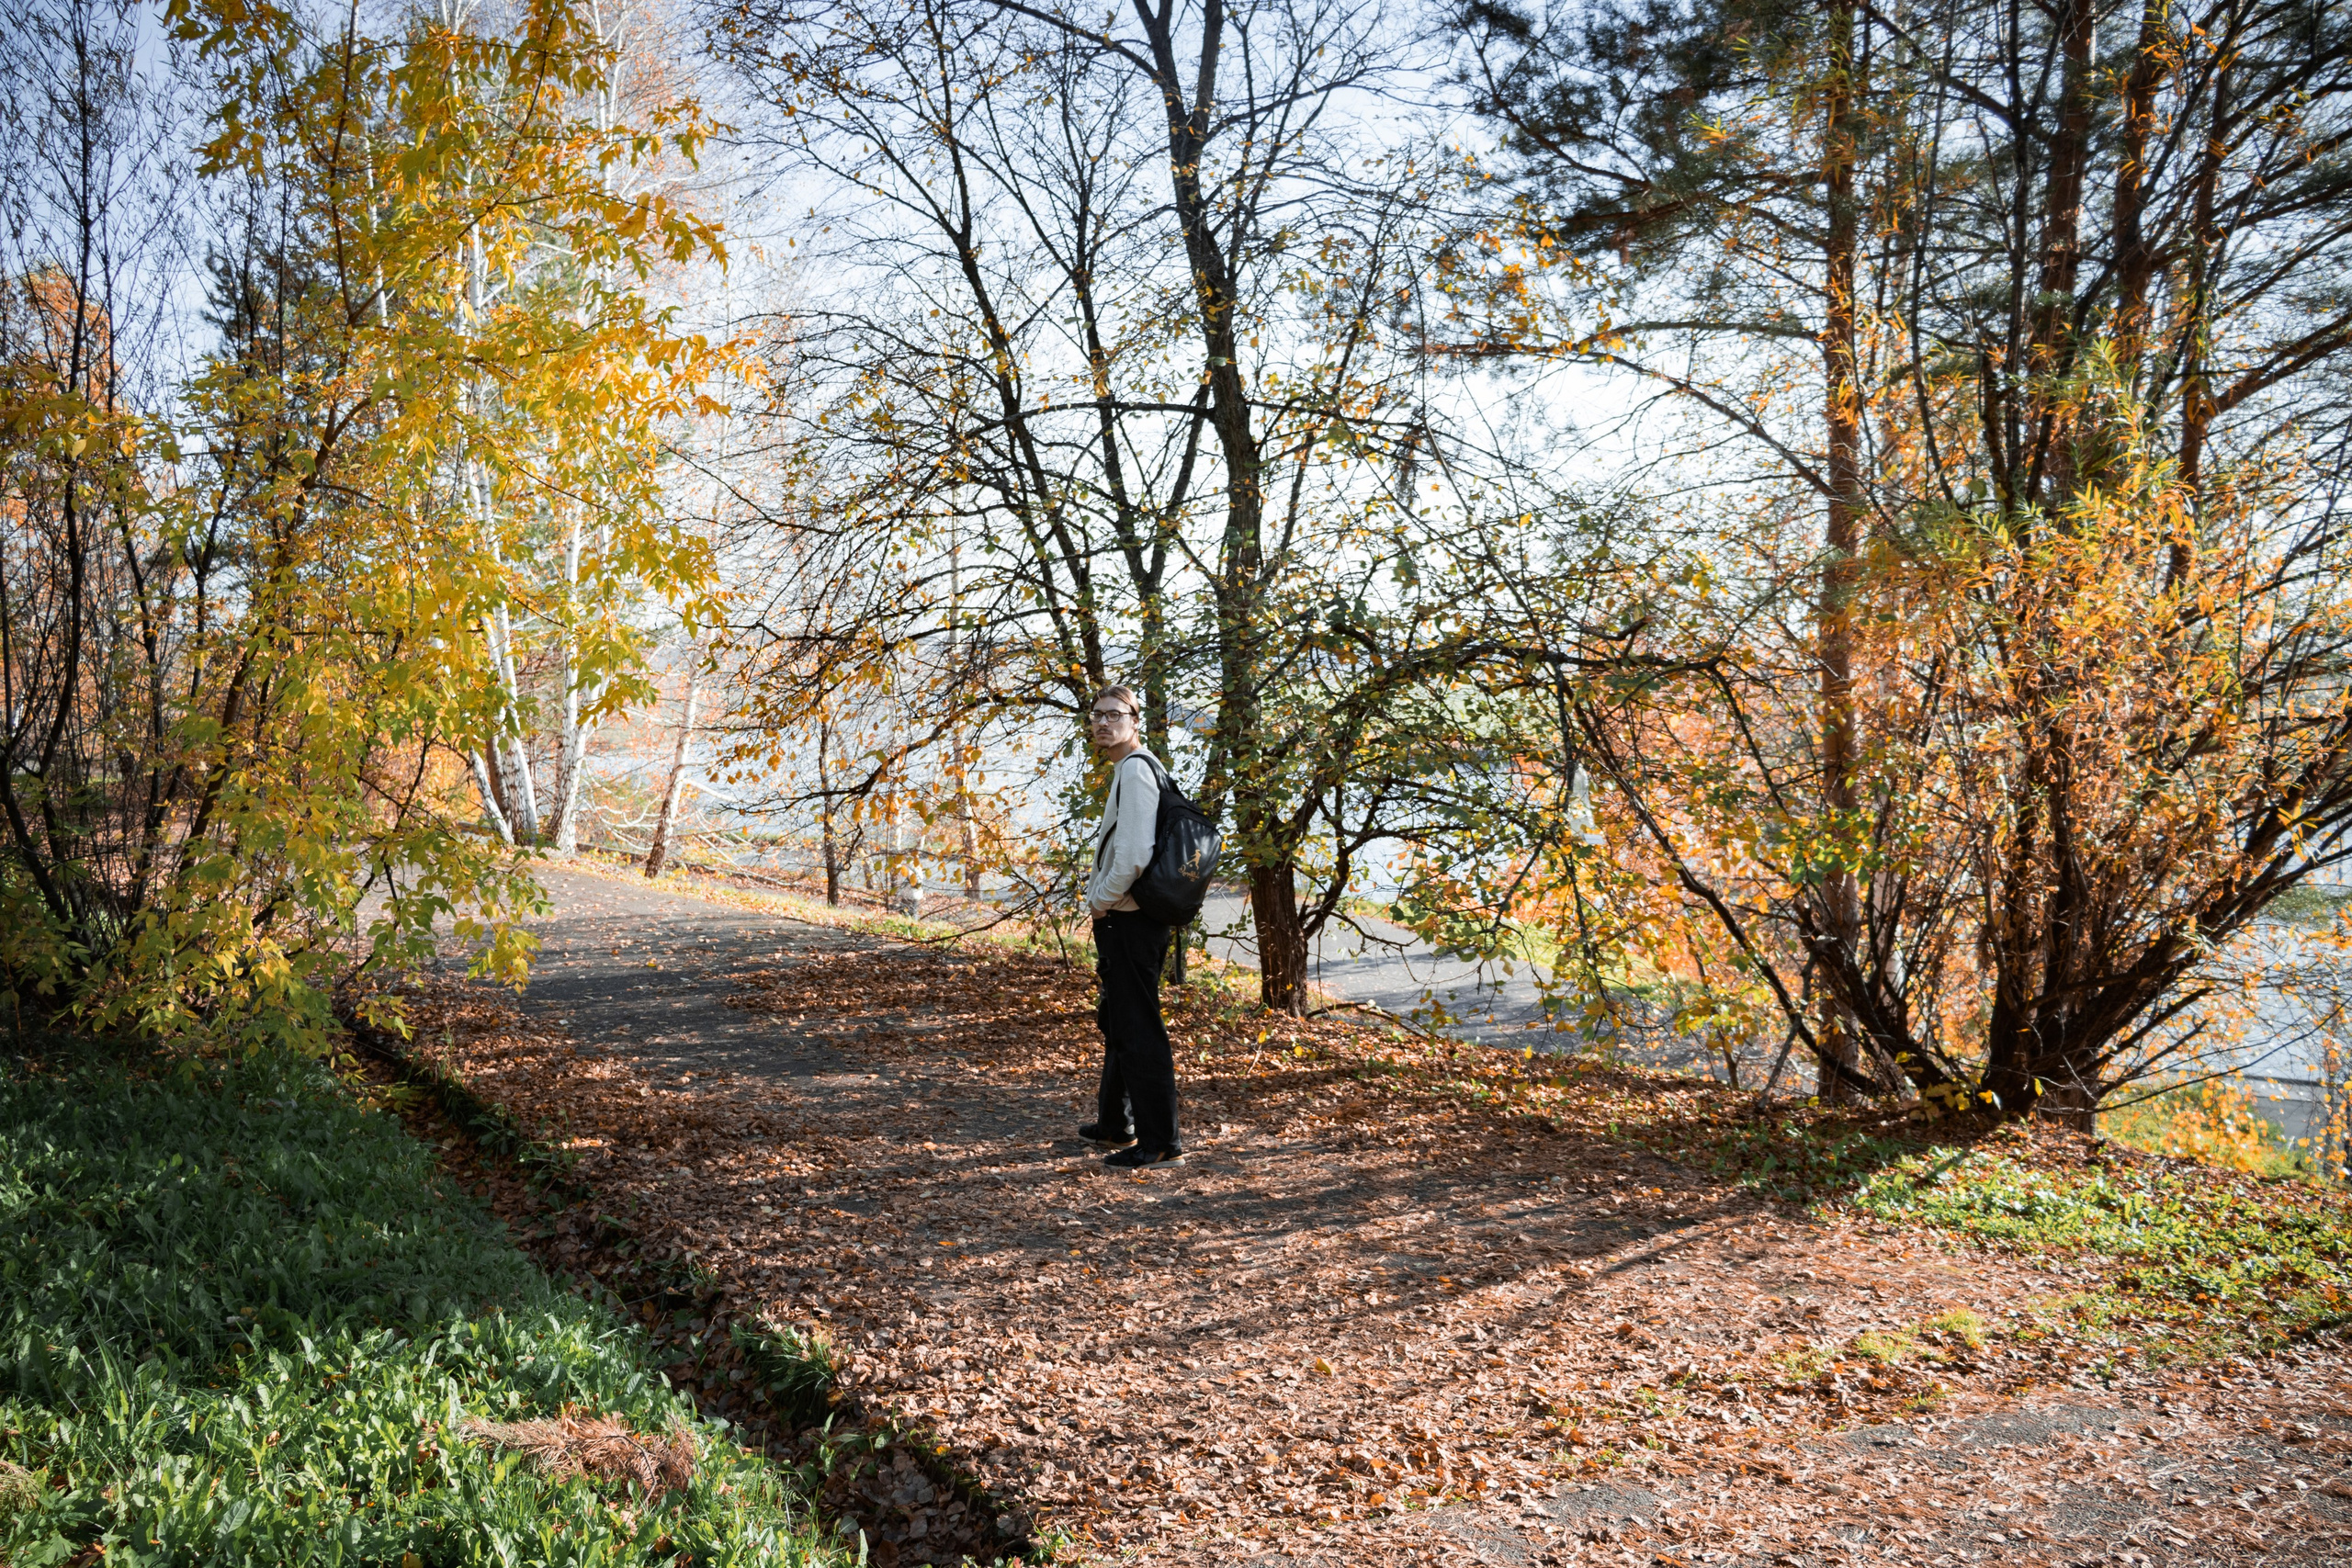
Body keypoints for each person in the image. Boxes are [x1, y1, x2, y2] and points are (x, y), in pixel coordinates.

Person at [1080, 685, 1183, 1168]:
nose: (1103, 723)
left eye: (1113, 715)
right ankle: (1115, 1125)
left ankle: (1160, 1142)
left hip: (1129, 918)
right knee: (1120, 1019)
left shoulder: (1138, 770)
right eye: (1097, 715)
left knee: (1139, 1027)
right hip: (1128, 917)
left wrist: (1100, 900)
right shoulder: (1135, 767)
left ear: (1134, 719)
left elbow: (1135, 854)